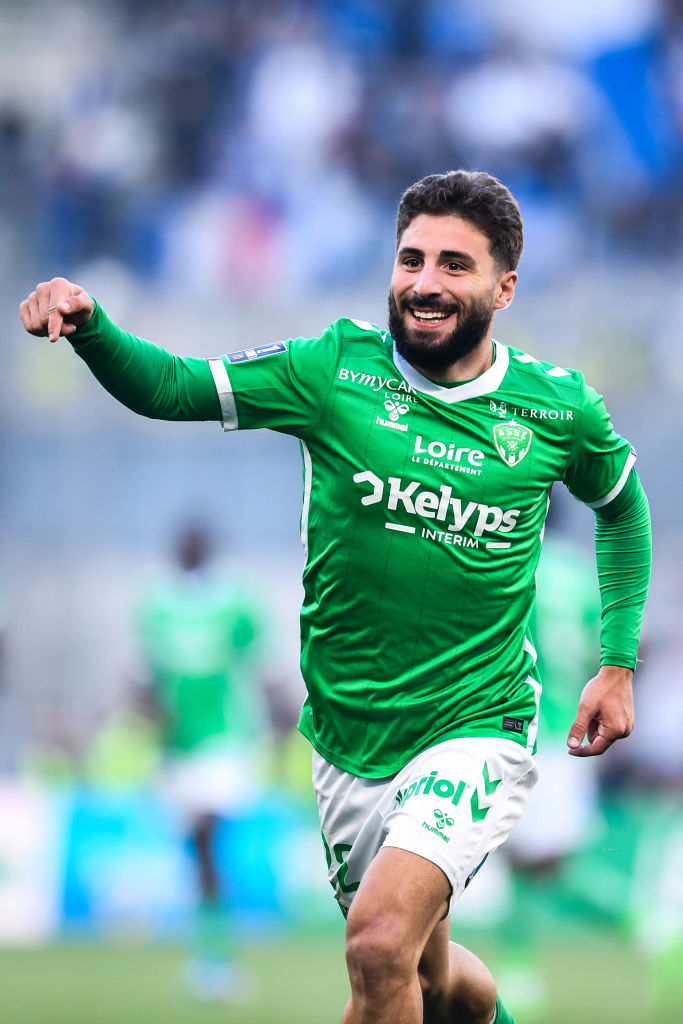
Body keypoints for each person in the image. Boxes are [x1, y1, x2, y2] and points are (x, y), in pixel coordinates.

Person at [20, 170, 651, 1024]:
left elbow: (621, 508)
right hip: (349, 742)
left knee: (376, 946)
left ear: (503, 288)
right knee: (429, 978)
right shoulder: (334, 368)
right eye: (411, 259)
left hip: (475, 724)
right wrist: (93, 328)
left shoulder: (553, 407)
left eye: (454, 265)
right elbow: (173, 386)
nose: (424, 283)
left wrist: (616, 662)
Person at [134, 521, 267, 1001]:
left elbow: (260, 664)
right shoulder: (156, 601)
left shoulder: (235, 598)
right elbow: (147, 674)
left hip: (224, 739)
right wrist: (148, 710)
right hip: (177, 748)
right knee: (198, 850)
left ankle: (215, 962)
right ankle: (212, 956)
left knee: (207, 837)